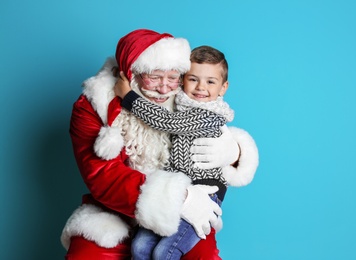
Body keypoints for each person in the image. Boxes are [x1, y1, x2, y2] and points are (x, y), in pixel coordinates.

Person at [60, 29, 259, 259]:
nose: (164, 88)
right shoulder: (95, 105)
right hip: (116, 211)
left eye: (173, 78)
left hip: (197, 197)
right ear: (132, 74)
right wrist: (180, 199)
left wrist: (235, 151)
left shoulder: (186, 92)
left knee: (198, 254)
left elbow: (204, 116)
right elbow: (105, 177)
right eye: (154, 77)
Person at [114, 45, 252, 260]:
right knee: (140, 247)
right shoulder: (179, 104)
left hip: (204, 194)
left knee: (163, 253)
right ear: (182, 80)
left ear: (223, 88)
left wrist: (129, 97)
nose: (200, 87)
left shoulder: (209, 115)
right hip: (175, 190)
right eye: (193, 79)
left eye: (210, 82)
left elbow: (166, 121)